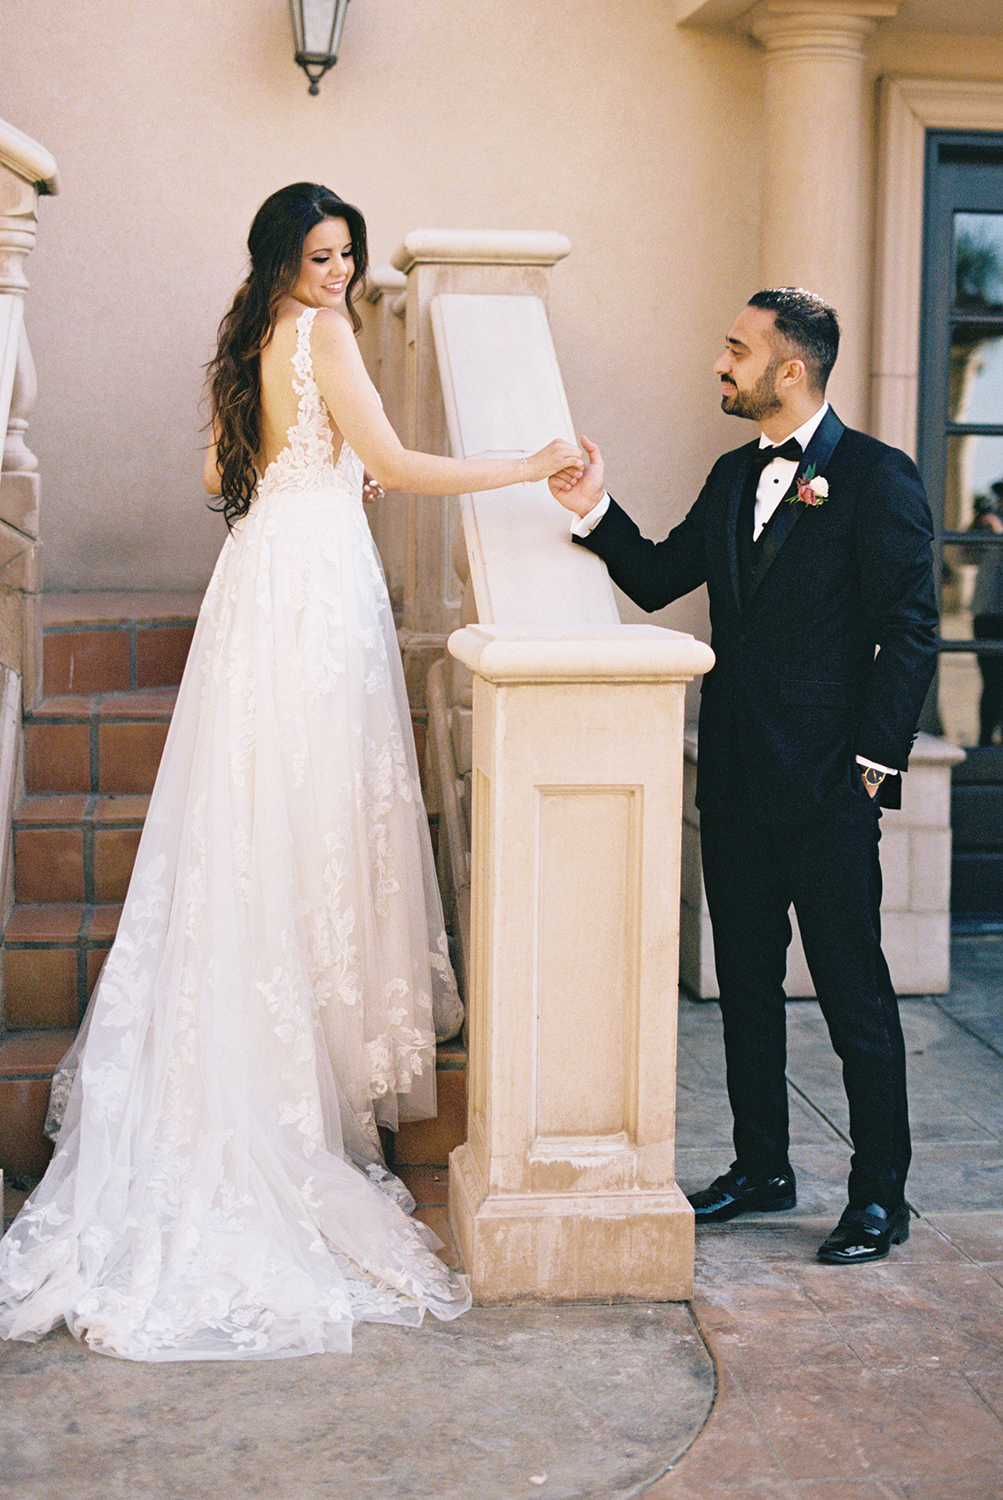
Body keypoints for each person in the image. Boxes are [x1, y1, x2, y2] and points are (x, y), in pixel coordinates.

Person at [0, 182, 582, 1359]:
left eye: (347, 256)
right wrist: (526, 463)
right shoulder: (322, 335)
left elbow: (232, 474)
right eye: (321, 255)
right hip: (312, 591)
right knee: (310, 819)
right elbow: (402, 465)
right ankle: (290, 1086)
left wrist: (325, 473)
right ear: (286, 257)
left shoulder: (251, 335)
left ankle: (263, 1059)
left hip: (263, 574)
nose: (337, 273)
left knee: (255, 822)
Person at [549, 288, 937, 1265]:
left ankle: (880, 1195)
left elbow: (911, 631)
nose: (720, 364)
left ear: (790, 369)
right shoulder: (731, 476)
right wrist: (591, 506)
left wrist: (871, 772)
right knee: (747, 989)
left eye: (736, 349)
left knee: (854, 996)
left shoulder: (876, 479)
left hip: (826, 792)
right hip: (731, 783)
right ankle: (763, 1167)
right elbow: (652, 576)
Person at [967, 486, 1003, 746]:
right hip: (987, 613)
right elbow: (961, 557)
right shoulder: (989, 526)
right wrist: (973, 528)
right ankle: (985, 740)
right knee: (991, 680)